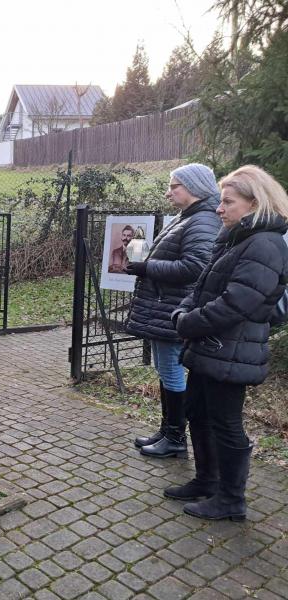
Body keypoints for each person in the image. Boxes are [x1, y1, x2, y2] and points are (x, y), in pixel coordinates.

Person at [170, 165, 288, 521]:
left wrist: (188, 322)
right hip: (211, 346)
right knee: (197, 412)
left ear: (254, 203)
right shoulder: (236, 237)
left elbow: (237, 303)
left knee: (226, 423)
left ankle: (231, 499)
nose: (219, 208)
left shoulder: (265, 245)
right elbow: (203, 287)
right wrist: (184, 311)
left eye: (228, 202)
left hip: (233, 351)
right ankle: (207, 480)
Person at [125, 164, 222, 458]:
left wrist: (147, 267)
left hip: (172, 307)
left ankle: (176, 438)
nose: (168, 193)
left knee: (171, 371)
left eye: (174, 186)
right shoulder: (188, 217)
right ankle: (167, 430)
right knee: (165, 370)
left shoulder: (202, 220)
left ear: (194, 187)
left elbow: (195, 266)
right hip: (163, 307)